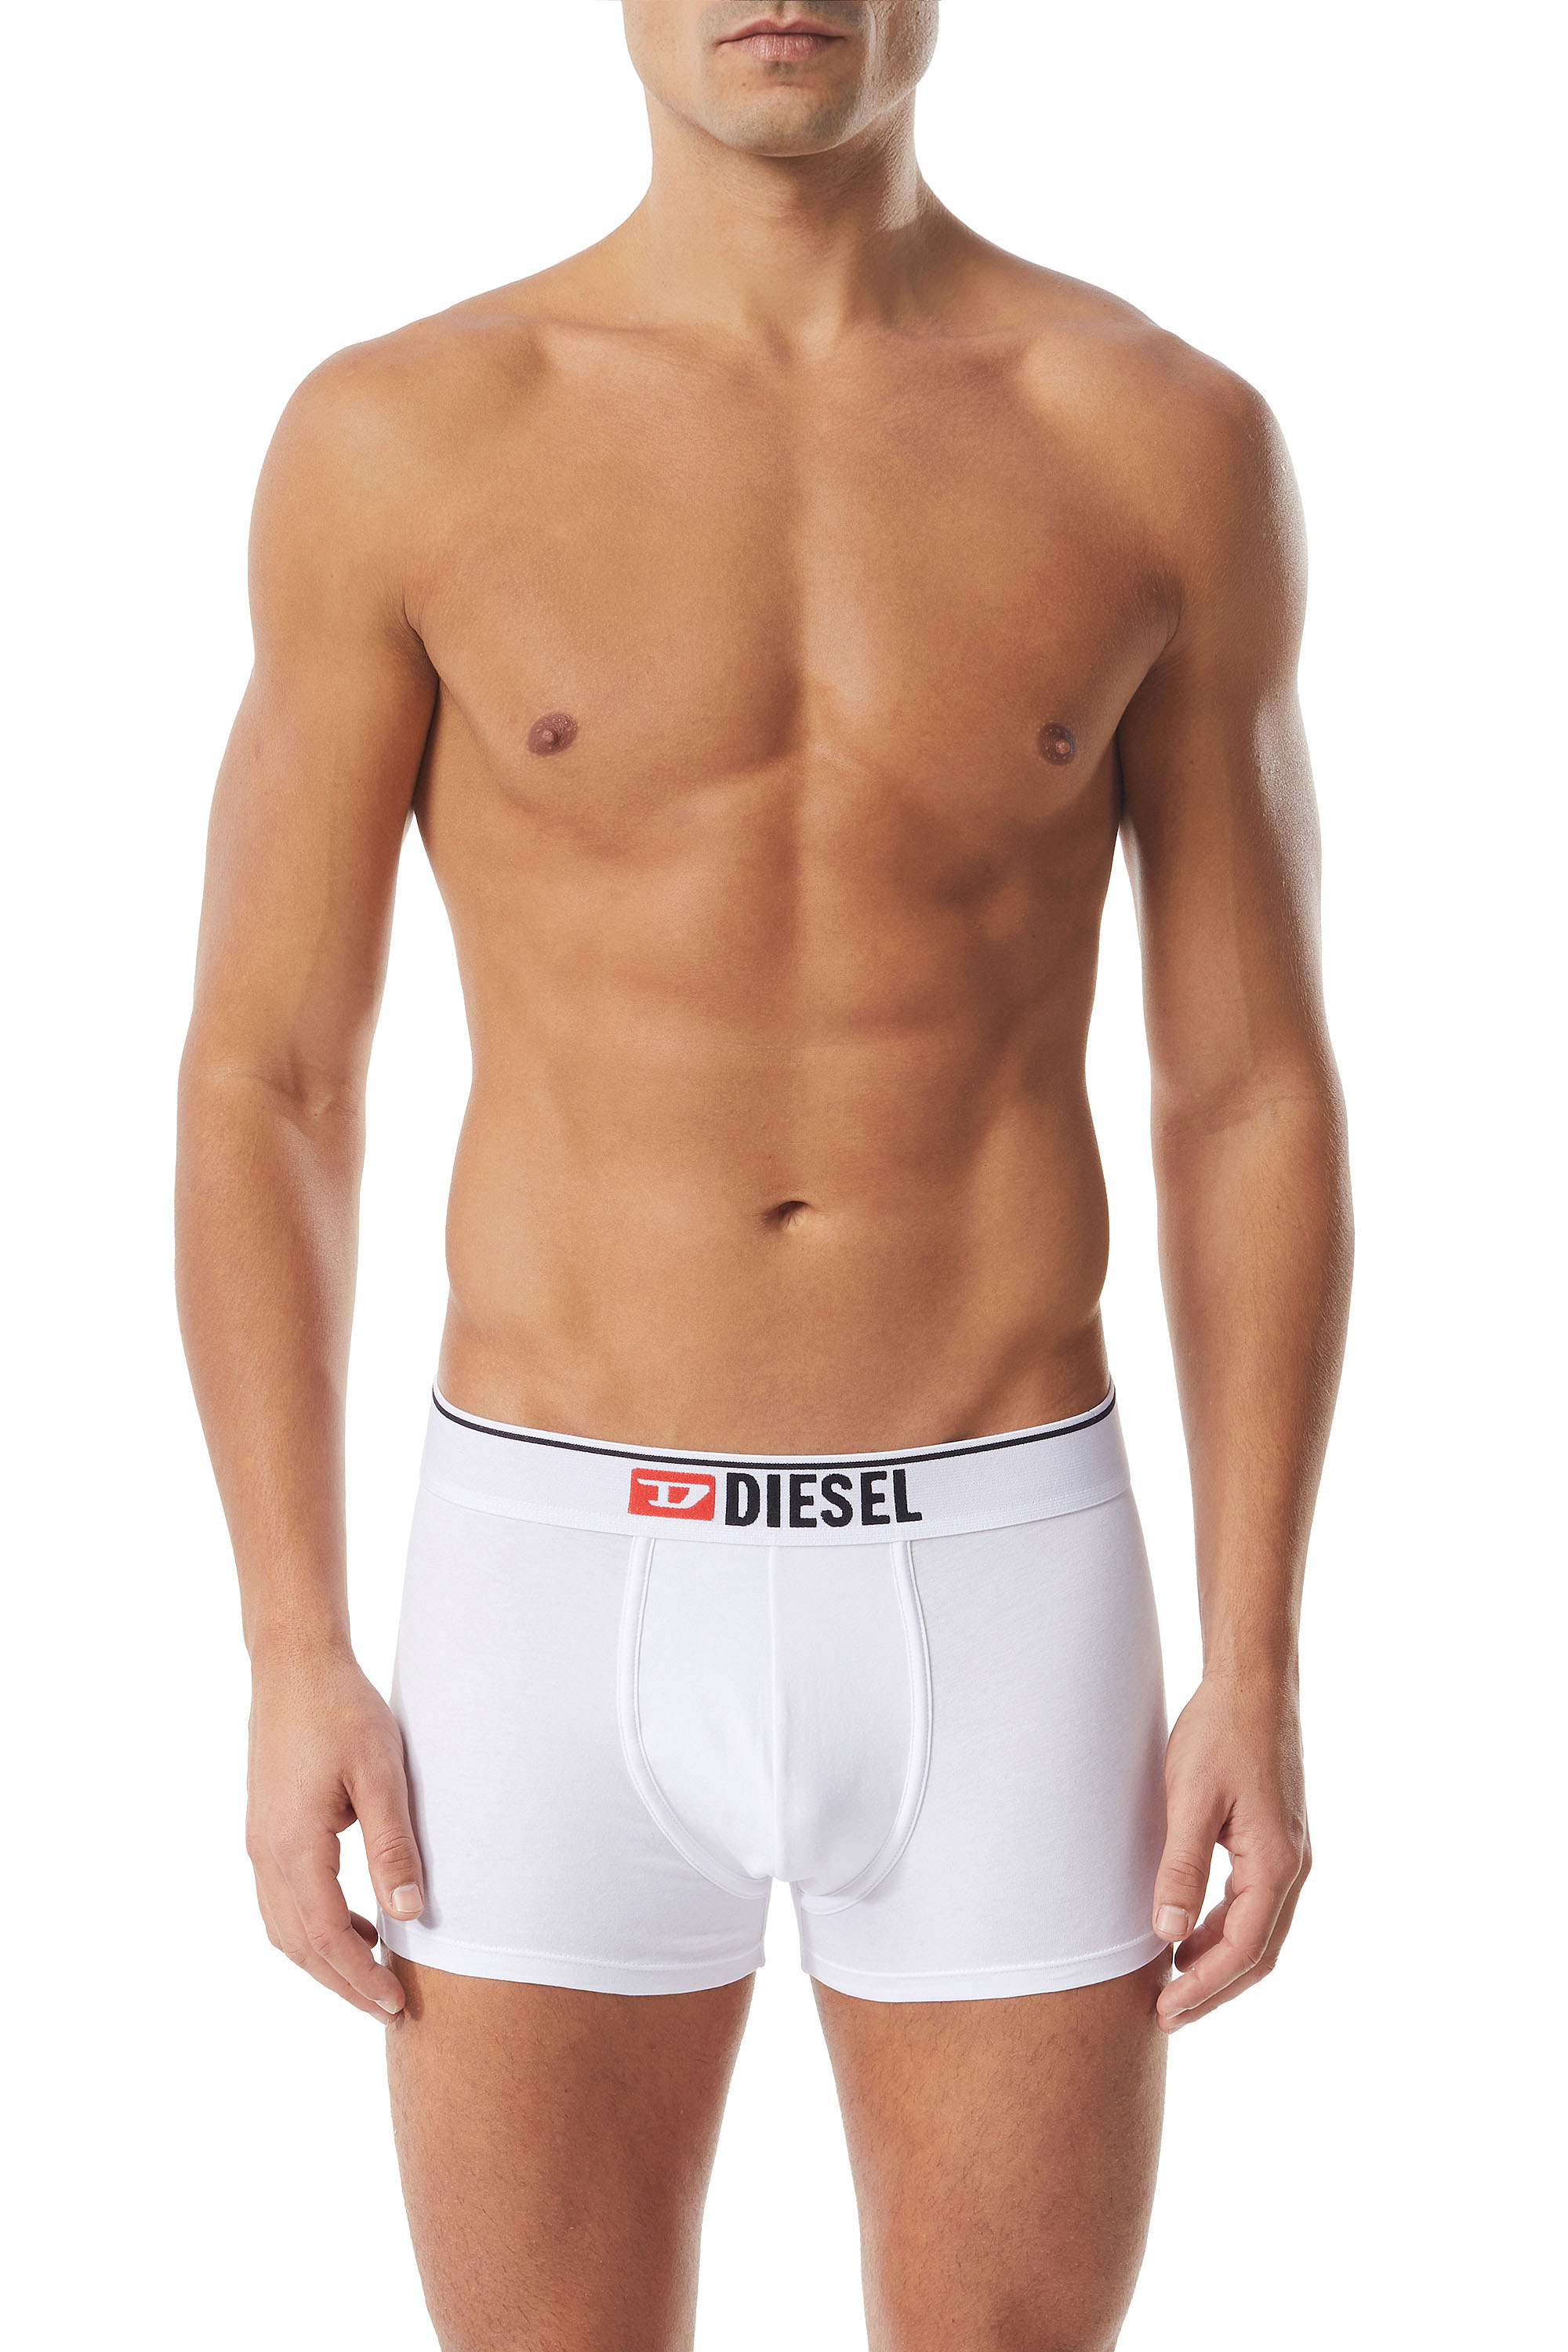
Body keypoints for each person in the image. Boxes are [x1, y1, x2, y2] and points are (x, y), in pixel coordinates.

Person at [176, 5, 1352, 2346]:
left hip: (1006, 1576)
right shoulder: (407, 435)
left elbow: (1247, 1089)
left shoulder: (1157, 438)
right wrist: (288, 1641)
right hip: (547, 1576)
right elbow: (271, 1078)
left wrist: (1260, 1656)